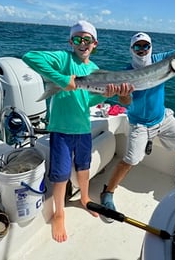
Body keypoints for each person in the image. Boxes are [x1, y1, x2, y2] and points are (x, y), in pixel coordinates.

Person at [23, 20, 121, 243]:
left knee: (83, 168)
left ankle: (85, 198)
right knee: (60, 174)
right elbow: (30, 56)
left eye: (87, 39)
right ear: (71, 41)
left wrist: (107, 94)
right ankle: (59, 212)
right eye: (78, 39)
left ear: (94, 44)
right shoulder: (63, 58)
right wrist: (63, 79)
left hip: (83, 128)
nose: (82, 43)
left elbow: (89, 99)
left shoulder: (95, 70)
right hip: (61, 129)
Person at [100, 12, 175, 214]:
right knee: (131, 160)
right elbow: (125, 103)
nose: (142, 49)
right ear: (131, 49)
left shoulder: (161, 60)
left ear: (151, 47)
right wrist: (123, 95)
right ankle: (108, 192)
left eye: (145, 45)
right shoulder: (126, 71)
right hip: (139, 124)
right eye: (137, 46)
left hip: (162, 118)